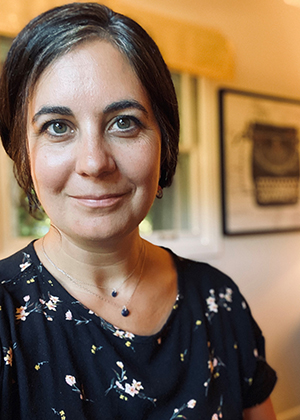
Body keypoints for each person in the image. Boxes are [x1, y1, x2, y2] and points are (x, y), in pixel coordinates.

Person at [0, 3, 277, 419]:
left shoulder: (219, 300)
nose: (94, 162)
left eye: (124, 122)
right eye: (58, 126)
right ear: (23, 150)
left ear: (164, 139)